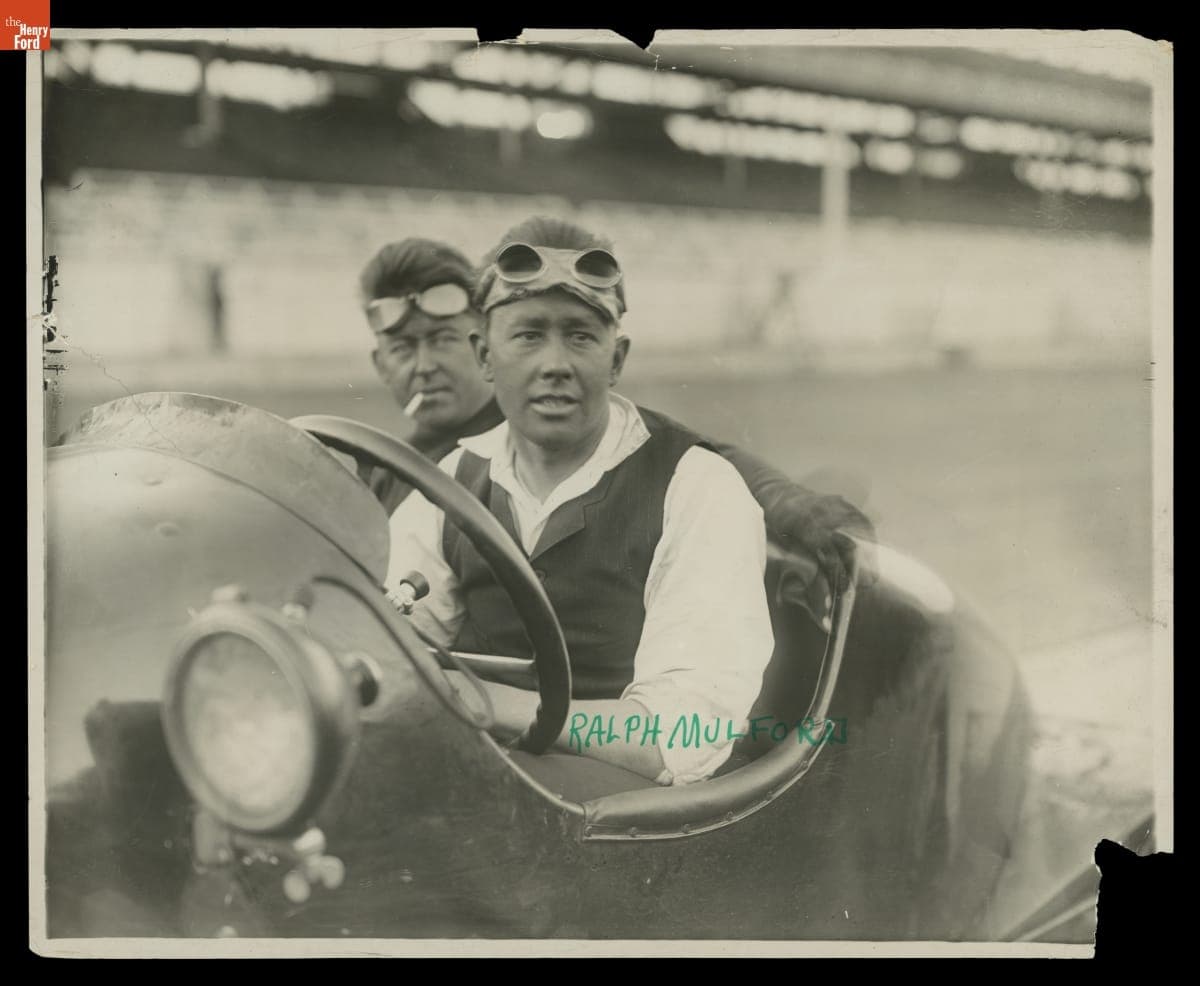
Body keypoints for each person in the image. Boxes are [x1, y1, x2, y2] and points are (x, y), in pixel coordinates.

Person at [387, 217, 782, 786]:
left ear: (616, 359)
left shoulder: (696, 487)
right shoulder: (456, 477)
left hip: (626, 809)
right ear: (484, 356)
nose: (555, 364)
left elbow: (683, 736)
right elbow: (390, 638)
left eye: (580, 336)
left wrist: (486, 704)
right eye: (528, 335)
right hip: (492, 779)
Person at [357, 239, 505, 514]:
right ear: (381, 367)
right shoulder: (386, 472)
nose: (424, 366)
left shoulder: (524, 456)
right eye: (402, 348)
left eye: (442, 339)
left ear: (485, 345)